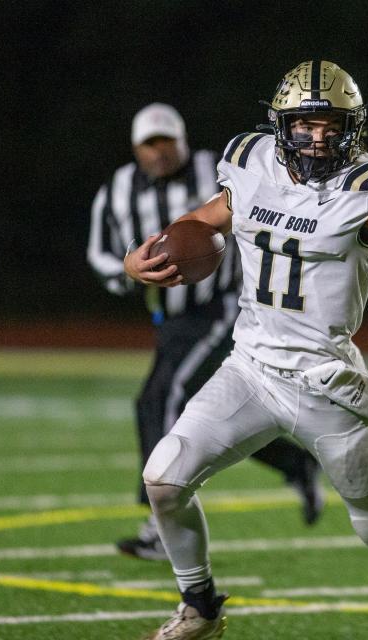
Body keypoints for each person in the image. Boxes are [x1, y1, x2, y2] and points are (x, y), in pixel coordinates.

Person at [123, 62, 368, 640]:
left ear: (354, 127)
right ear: (281, 124)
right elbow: (205, 219)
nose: (319, 137)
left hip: (326, 385)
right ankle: (200, 607)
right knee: (165, 481)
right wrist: (138, 257)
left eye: (332, 124)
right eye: (305, 124)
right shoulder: (250, 161)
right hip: (250, 369)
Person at [88, 102, 324, 561]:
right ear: (136, 149)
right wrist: (128, 269)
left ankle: (160, 522)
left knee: (163, 397)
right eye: (149, 144)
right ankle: (296, 462)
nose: (159, 152)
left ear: (183, 141)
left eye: (166, 142)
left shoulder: (217, 170)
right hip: (169, 320)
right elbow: (100, 252)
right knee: (208, 411)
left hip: (223, 308)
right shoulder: (116, 189)